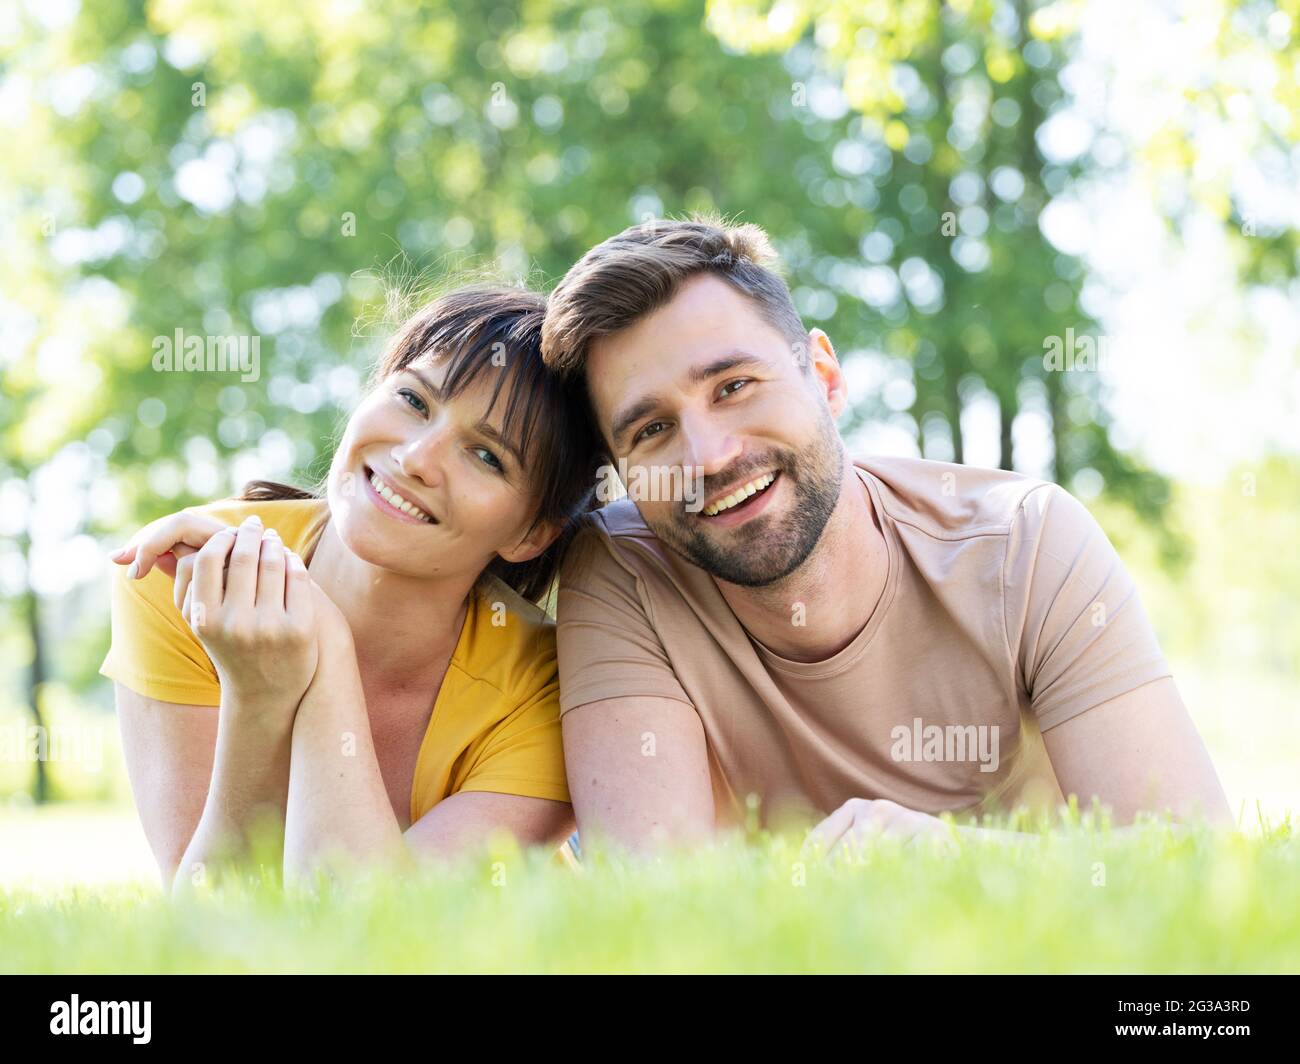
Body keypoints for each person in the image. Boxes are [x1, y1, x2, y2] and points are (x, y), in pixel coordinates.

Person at [539, 215, 1234, 857]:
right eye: (652, 430)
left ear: (827, 378)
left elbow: (1190, 861)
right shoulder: (622, 572)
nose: (711, 457)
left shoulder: (1026, 541)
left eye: (735, 386)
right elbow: (663, 906)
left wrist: (953, 861)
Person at [101, 285, 602, 891]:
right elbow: (212, 932)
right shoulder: (185, 579)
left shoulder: (553, 688)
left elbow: (363, 932)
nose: (417, 456)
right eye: (414, 399)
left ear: (529, 534)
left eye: (487, 456)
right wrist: (257, 701)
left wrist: (325, 653)